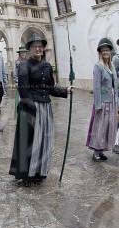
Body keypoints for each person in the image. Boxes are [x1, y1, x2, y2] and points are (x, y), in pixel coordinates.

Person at [9, 34, 72, 186]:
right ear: (29, 49)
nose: (38, 48)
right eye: (35, 46)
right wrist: (30, 110)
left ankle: (39, 172)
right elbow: (23, 90)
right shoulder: (24, 66)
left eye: (41, 46)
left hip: (46, 107)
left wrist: (65, 91)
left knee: (44, 141)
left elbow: (50, 87)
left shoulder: (47, 66)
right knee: (30, 141)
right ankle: (26, 174)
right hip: (31, 108)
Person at [86, 38, 119, 162]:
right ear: (100, 52)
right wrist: (98, 105)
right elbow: (96, 87)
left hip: (112, 102)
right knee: (99, 127)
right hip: (103, 103)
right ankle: (96, 152)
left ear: (110, 52)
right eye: (103, 50)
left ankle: (102, 150)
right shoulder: (98, 66)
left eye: (108, 50)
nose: (106, 52)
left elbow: (115, 85)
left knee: (108, 128)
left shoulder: (111, 67)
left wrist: (117, 101)